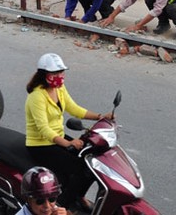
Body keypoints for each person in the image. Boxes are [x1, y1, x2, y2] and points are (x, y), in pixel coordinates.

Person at [25, 53, 113, 213]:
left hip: (56, 138)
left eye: (61, 73)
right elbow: (44, 130)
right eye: (55, 74)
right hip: (40, 145)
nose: (59, 77)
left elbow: (74, 108)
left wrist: (100, 117)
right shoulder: (37, 97)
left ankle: (78, 196)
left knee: (90, 162)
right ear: (44, 75)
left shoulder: (59, 89)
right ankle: (62, 207)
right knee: (79, 170)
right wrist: (69, 143)